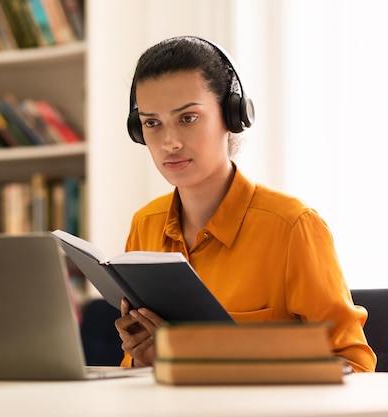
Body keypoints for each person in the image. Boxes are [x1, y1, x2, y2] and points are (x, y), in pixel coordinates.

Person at [115, 35, 377, 372]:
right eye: (152, 123)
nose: (170, 142)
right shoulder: (145, 224)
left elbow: (354, 364)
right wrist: (143, 360)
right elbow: (138, 378)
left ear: (231, 116)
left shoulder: (293, 226)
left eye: (188, 118)